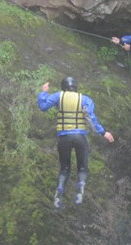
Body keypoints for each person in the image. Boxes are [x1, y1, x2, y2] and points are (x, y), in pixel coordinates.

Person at [38, 76, 115, 209]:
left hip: (64, 138)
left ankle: (60, 190)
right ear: (76, 87)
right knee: (83, 167)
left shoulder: (58, 96)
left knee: (64, 168)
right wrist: (103, 132)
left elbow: (43, 106)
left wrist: (44, 92)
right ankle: (80, 187)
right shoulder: (85, 99)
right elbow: (92, 118)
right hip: (80, 137)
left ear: (64, 87)